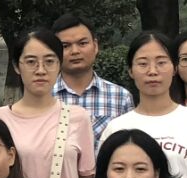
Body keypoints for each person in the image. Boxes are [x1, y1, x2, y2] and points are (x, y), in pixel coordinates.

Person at [0, 27, 96, 178]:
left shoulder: (78, 117)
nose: (40, 70)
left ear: (59, 65)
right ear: (17, 66)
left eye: (49, 61)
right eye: (31, 61)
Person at [101, 32, 187, 178]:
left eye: (161, 62)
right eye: (143, 64)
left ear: (174, 68)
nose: (152, 71)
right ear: (130, 70)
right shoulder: (116, 127)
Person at [51, 13, 134, 144]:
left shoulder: (121, 97)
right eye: (65, 46)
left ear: (95, 46)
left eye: (82, 43)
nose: (75, 51)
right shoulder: (44, 96)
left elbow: (130, 146)